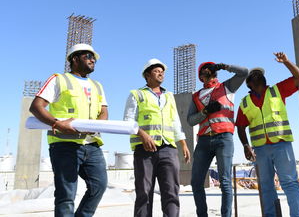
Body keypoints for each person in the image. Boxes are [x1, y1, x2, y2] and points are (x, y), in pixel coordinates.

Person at [30, 43, 108, 217]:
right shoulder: (59, 79)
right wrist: (57, 123)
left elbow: (104, 111)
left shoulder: (97, 85)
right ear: (74, 59)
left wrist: (96, 125)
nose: (92, 60)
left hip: (92, 145)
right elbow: (36, 106)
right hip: (64, 144)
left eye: (94, 57)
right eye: (88, 56)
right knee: (66, 194)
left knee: (99, 186)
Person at [236, 52, 299, 217]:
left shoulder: (278, 90)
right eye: (254, 75)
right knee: (266, 186)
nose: (258, 75)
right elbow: (240, 127)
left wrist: (286, 62)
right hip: (260, 150)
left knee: (290, 183)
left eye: (260, 74)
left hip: (281, 145)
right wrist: (246, 146)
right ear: (249, 84)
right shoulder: (245, 103)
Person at [123, 58, 190, 217]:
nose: (160, 73)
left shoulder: (169, 96)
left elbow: (175, 121)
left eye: (162, 71)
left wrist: (183, 144)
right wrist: (142, 134)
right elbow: (128, 121)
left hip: (168, 149)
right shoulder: (137, 94)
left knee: (171, 191)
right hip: (144, 150)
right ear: (147, 75)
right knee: (144, 192)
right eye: (156, 71)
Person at [187, 62, 248, 217]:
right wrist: (205, 111)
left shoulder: (227, 87)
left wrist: (225, 66)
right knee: (196, 182)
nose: (207, 70)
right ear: (200, 76)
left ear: (215, 72)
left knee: (225, 182)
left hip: (224, 139)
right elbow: (190, 120)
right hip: (203, 142)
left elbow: (244, 72)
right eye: (203, 69)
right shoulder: (196, 96)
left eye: (211, 68)